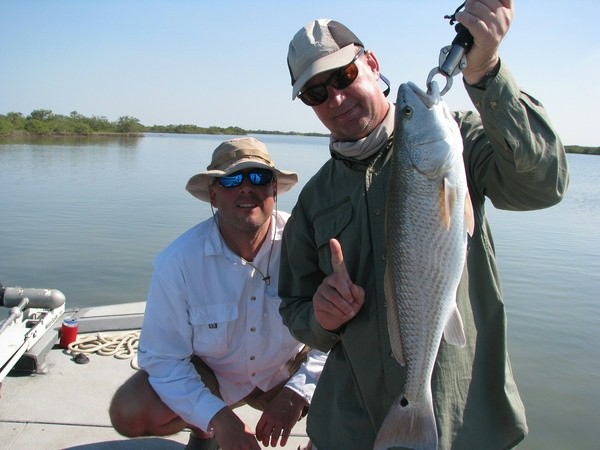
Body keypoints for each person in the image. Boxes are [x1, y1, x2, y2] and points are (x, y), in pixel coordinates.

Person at [278, 2, 569, 449]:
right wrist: (320, 315)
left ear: (371, 64)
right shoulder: (314, 200)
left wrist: (487, 70)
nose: (335, 97)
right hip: (353, 427)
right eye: (316, 93)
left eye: (343, 76)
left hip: (465, 421)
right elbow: (293, 306)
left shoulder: (461, 141)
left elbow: (543, 184)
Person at [109, 137, 324, 450]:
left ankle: (320, 440)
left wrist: (298, 393)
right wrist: (218, 417)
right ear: (213, 195)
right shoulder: (178, 261)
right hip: (215, 378)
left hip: (285, 372)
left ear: (274, 190)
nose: (247, 188)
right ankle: (205, 431)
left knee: (368, 382)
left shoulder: (306, 245)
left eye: (260, 178)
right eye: (232, 179)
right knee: (128, 411)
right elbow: (163, 359)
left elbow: (339, 334)